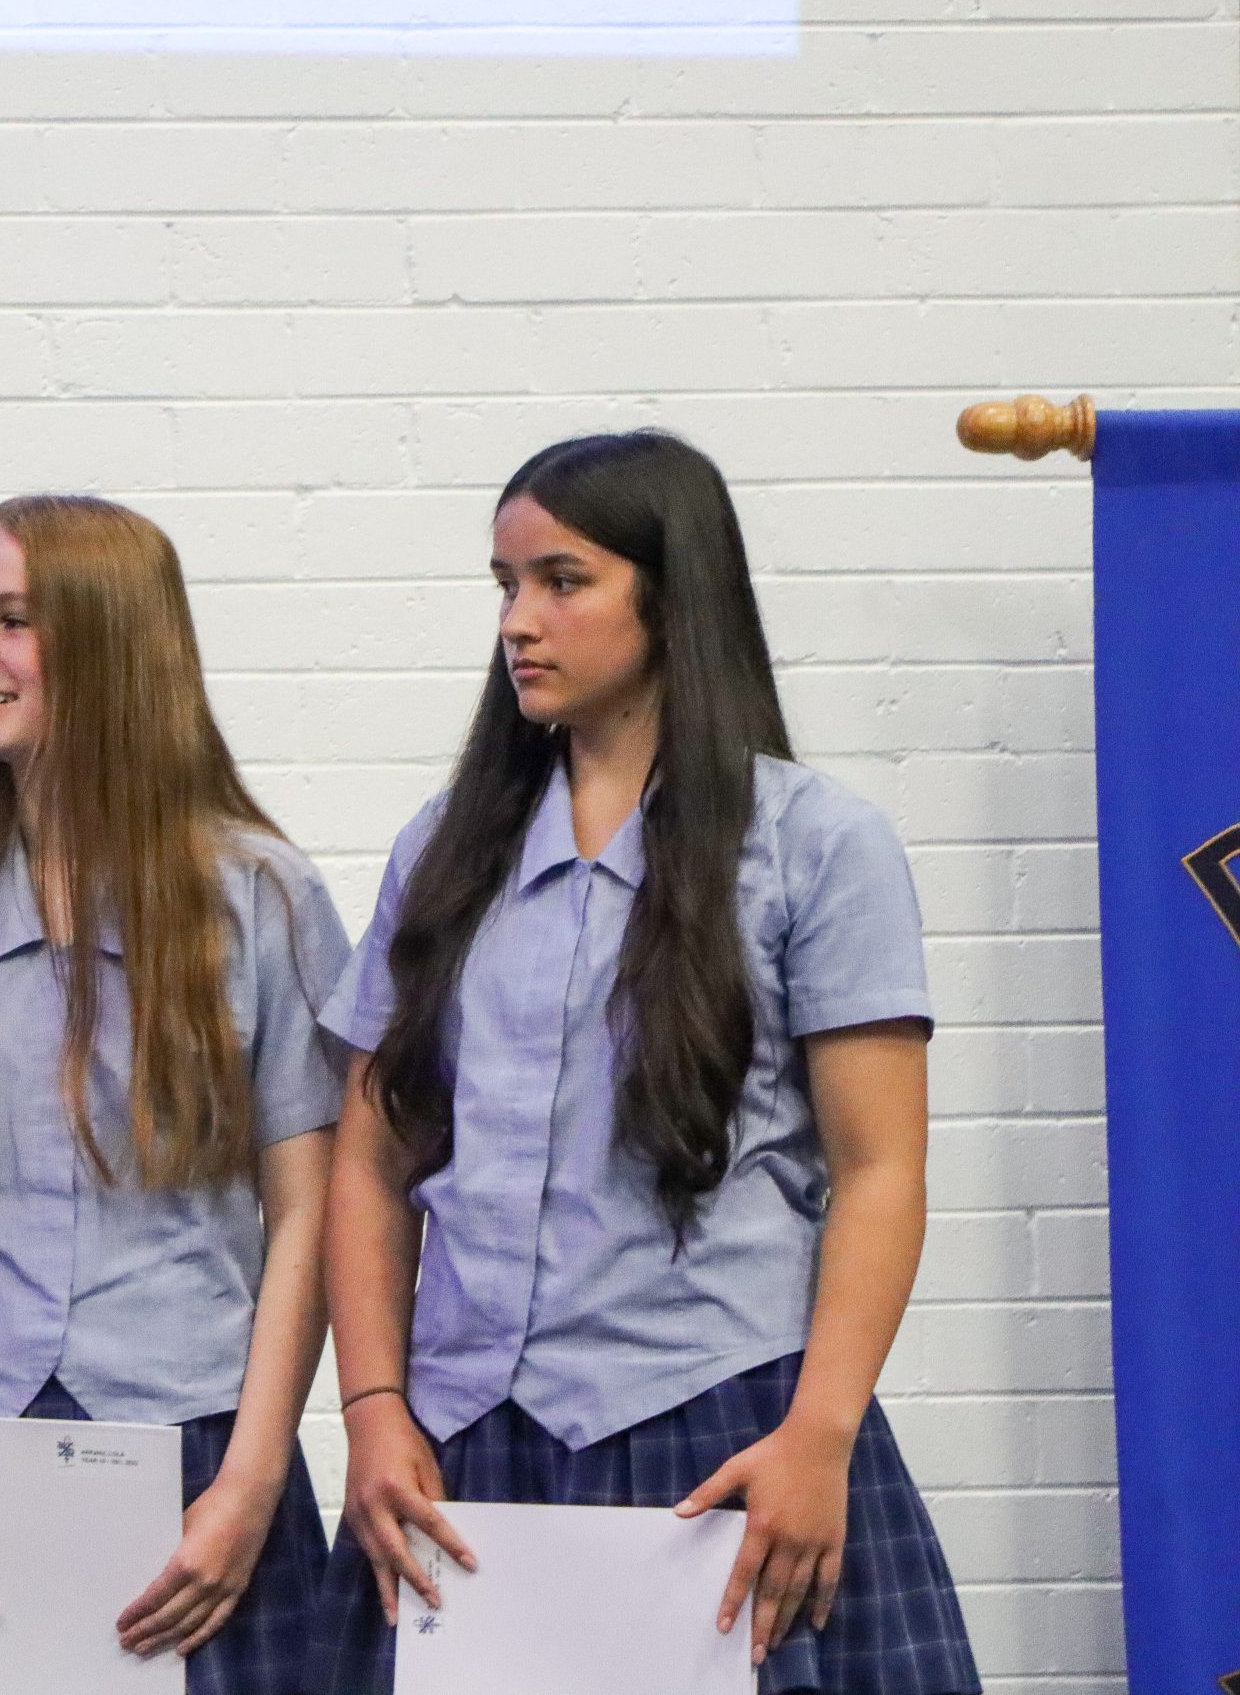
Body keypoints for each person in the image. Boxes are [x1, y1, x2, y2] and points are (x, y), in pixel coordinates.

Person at [308, 432, 978, 1694]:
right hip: (467, 1450)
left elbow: (880, 1170)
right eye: (505, 585)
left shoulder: (816, 845)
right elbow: (368, 1159)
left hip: (723, 1435)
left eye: (562, 581)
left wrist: (819, 1435)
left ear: (672, 600)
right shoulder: (442, 852)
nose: (519, 621)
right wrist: (373, 1407)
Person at [0, 495, 346, 1694]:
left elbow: (310, 1209)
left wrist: (253, 1480)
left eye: (12, 621)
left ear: (112, 643)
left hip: (193, 1451)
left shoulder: (261, 898)